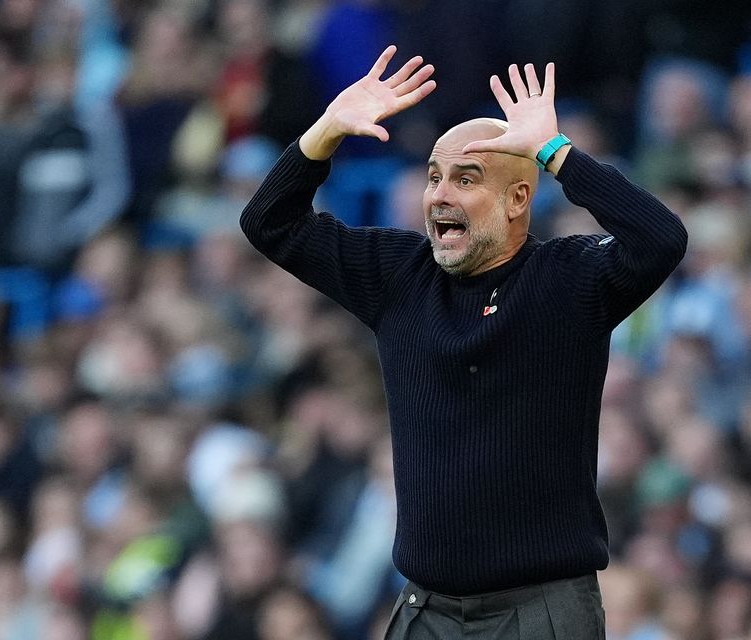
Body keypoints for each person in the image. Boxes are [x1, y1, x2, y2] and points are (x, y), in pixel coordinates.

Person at [240, 46, 687, 639]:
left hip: (539, 614)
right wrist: (324, 133)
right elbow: (269, 222)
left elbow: (661, 239)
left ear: (518, 199)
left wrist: (556, 153)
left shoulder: (570, 280)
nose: (440, 195)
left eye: (466, 178)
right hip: (429, 609)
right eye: (433, 176)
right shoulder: (399, 274)